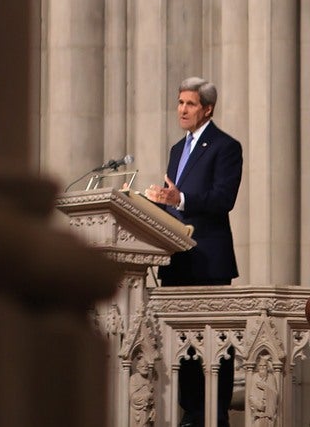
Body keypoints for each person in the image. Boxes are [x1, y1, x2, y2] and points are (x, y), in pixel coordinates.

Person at [145, 77, 243, 427]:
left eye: (189, 104)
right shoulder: (176, 149)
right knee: (182, 354)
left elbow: (222, 199)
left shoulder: (225, 147)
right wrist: (154, 205)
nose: (182, 109)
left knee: (213, 351)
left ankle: (214, 416)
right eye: (179, 102)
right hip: (177, 262)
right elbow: (175, 204)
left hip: (208, 262)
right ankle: (189, 416)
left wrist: (180, 199)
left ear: (207, 109)